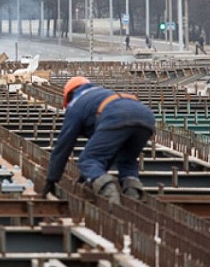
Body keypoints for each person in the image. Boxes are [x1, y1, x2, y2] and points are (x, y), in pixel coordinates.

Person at [41, 77, 155, 205]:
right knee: (127, 161)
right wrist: (89, 177)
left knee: (87, 160)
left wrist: (52, 178)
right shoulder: (100, 95)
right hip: (146, 117)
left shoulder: (76, 104)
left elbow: (64, 144)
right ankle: (133, 198)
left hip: (117, 116)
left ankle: (111, 199)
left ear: (69, 96)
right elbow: (107, 153)